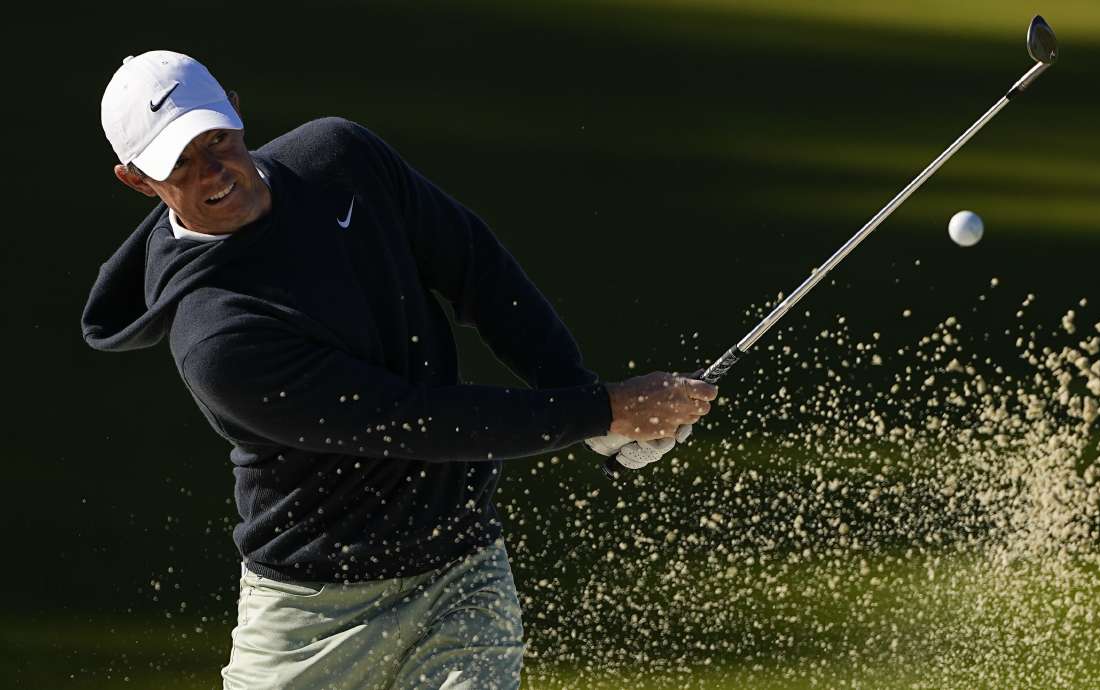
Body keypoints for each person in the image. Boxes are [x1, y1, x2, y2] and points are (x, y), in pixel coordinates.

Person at [82, 51, 718, 690]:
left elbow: (477, 271)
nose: (211, 170)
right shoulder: (216, 338)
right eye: (179, 163)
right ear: (136, 179)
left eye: (215, 138)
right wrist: (603, 411)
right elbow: (411, 420)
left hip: (461, 571)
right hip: (311, 619)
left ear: (237, 111)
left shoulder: (340, 160)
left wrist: (576, 390)